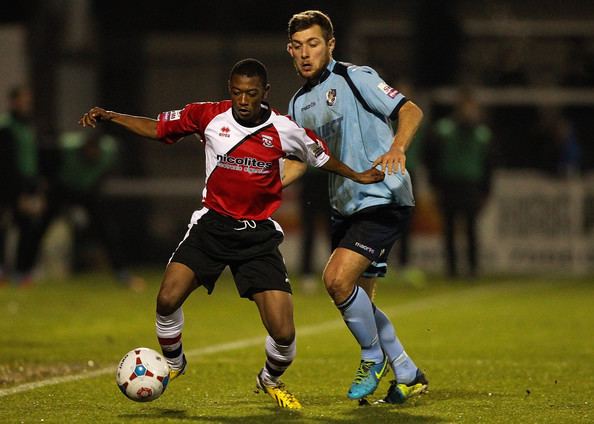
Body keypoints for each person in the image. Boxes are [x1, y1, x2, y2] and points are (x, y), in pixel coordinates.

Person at [79, 58, 384, 410]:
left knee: (284, 335)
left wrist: (359, 176)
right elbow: (158, 128)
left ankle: (269, 378)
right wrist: (111, 116)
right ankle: (175, 363)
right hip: (212, 226)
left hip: (257, 238)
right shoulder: (207, 116)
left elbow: (320, 157)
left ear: (265, 93)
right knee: (166, 299)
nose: (243, 100)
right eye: (237, 92)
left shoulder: (285, 129)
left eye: (251, 93)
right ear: (230, 89)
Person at [282, 10, 428, 404]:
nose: (306, 53)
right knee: (358, 299)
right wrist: (263, 186)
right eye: (298, 47)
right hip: (345, 205)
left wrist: (397, 146)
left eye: (314, 44)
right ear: (290, 52)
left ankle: (372, 357)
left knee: (336, 280)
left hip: (382, 194)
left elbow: (411, 110)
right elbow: (301, 158)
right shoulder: (297, 104)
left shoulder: (355, 76)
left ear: (330, 45)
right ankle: (408, 372)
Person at [55, 130, 146, 291]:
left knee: (107, 230)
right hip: (63, 188)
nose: (92, 154)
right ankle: (21, 272)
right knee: (40, 225)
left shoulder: (110, 150)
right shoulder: (66, 148)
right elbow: (49, 166)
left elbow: (114, 168)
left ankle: (121, 272)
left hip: (89, 190)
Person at [426, 90, 493, 279]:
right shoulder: (443, 130)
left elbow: (489, 165)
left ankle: (473, 267)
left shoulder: (482, 134)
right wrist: (435, 185)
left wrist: (486, 189)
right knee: (449, 228)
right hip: (449, 184)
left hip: (471, 184)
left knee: (471, 228)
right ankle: (451, 268)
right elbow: (432, 159)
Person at [0, 85, 47, 285]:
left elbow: (34, 158)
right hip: (7, 184)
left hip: (27, 183)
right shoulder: (6, 126)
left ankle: (21, 271)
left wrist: (36, 185)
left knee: (27, 227)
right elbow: (6, 161)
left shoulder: (29, 126)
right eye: (22, 100)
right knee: (3, 227)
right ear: (13, 102)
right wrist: (16, 189)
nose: (26, 104)